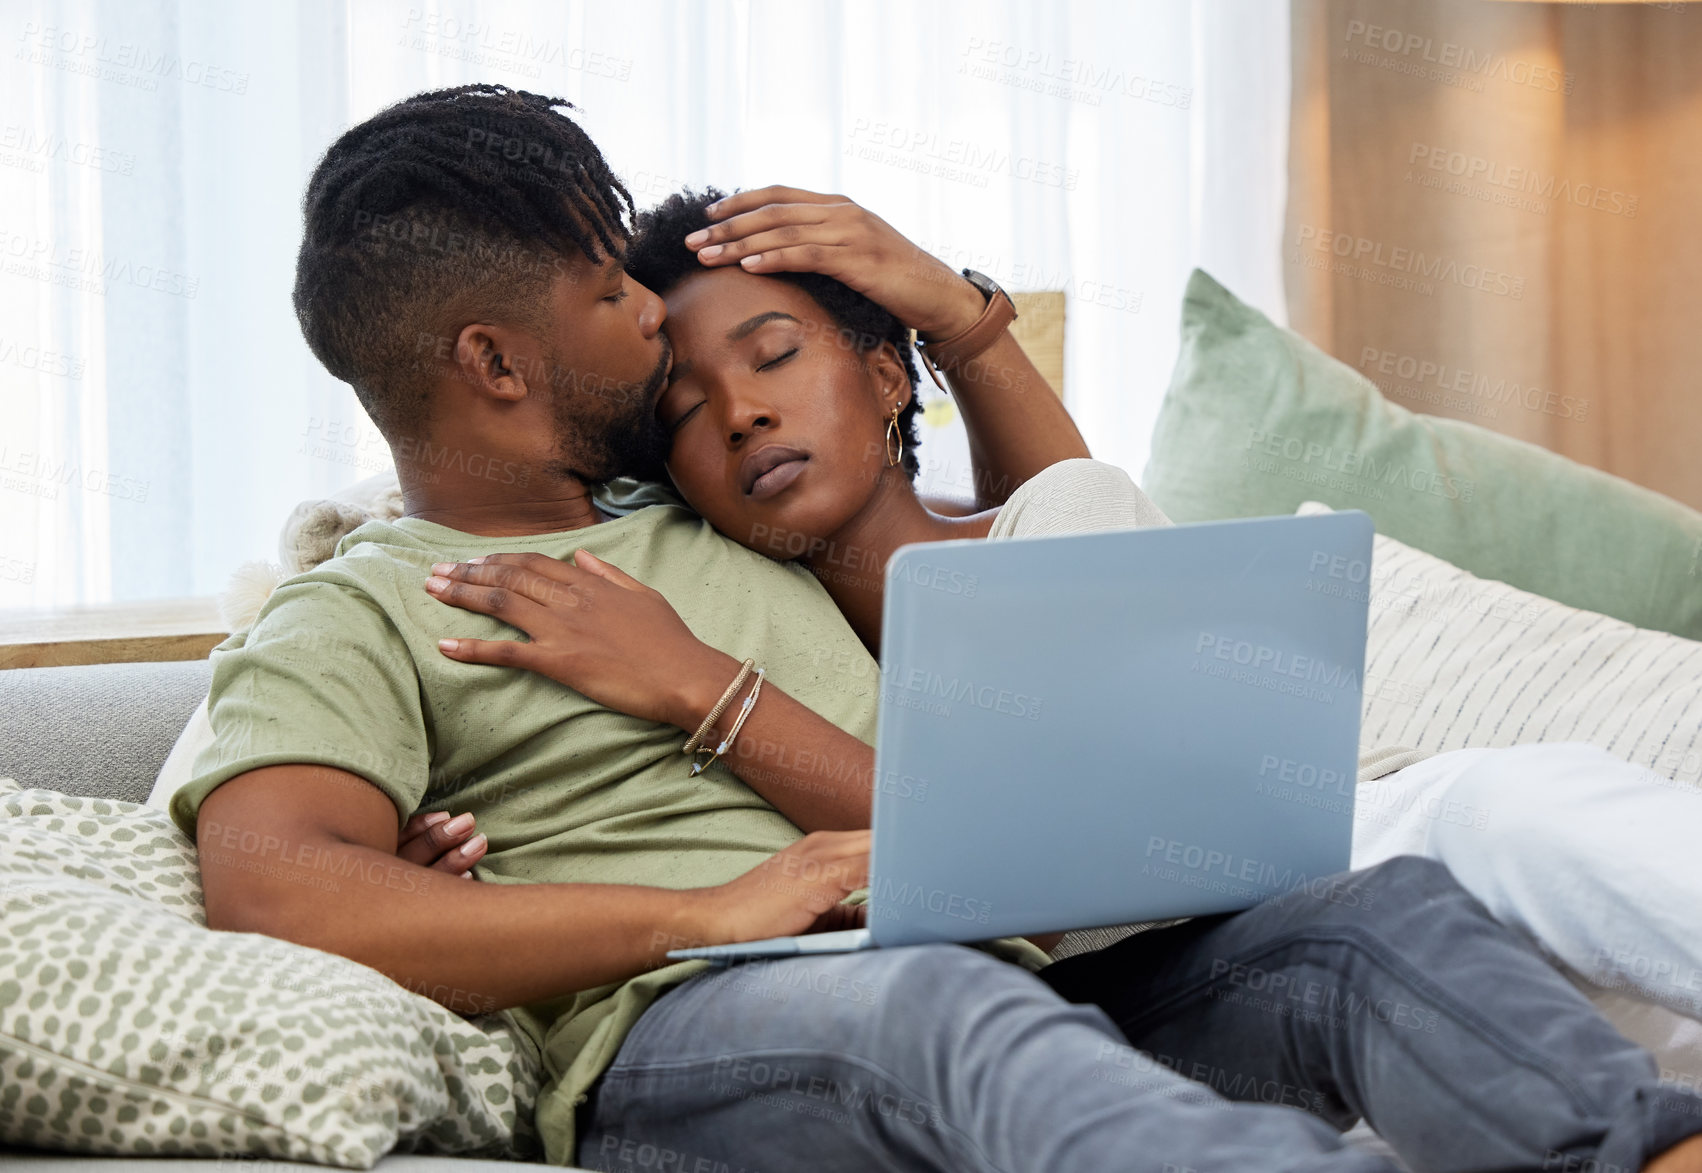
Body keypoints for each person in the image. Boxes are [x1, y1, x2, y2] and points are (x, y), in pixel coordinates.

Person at [183, 84, 1702, 1172]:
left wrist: (953, 322)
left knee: (1371, 917)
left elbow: (1058, 567)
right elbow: (271, 888)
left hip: (1010, 964)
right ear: (493, 362)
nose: (651, 320)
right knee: (943, 997)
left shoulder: (729, 518)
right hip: (709, 1031)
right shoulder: (363, 604)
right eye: (605, 293)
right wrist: (701, 910)